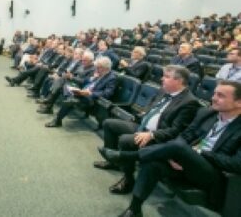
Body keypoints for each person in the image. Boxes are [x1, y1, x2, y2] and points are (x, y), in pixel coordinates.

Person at [105, 80, 241, 217]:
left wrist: (196, 153)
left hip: (212, 173)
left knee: (178, 146)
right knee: (152, 164)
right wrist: (176, 155)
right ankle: (134, 209)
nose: (213, 98)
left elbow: (236, 163)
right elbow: (185, 136)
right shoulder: (206, 114)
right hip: (184, 160)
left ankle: (126, 156)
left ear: (239, 102)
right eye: (215, 93)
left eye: (221, 96)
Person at [95, 65, 200, 195]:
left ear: (179, 81)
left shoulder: (189, 102)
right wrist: (143, 115)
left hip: (158, 137)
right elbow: (152, 106)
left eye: (166, 77)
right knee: (109, 123)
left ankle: (128, 180)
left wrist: (152, 134)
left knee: (125, 140)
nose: (162, 79)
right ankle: (113, 163)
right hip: (142, 127)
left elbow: (176, 130)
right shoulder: (163, 90)